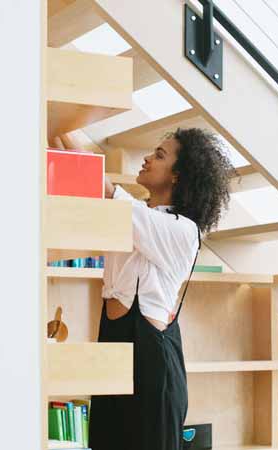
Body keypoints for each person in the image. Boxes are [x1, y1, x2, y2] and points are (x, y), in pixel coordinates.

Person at [89, 128, 234, 450]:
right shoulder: (140, 218)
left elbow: (108, 192)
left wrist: (59, 126)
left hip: (151, 359)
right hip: (113, 341)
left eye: (159, 155)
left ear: (178, 176)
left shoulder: (182, 230)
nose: (147, 158)